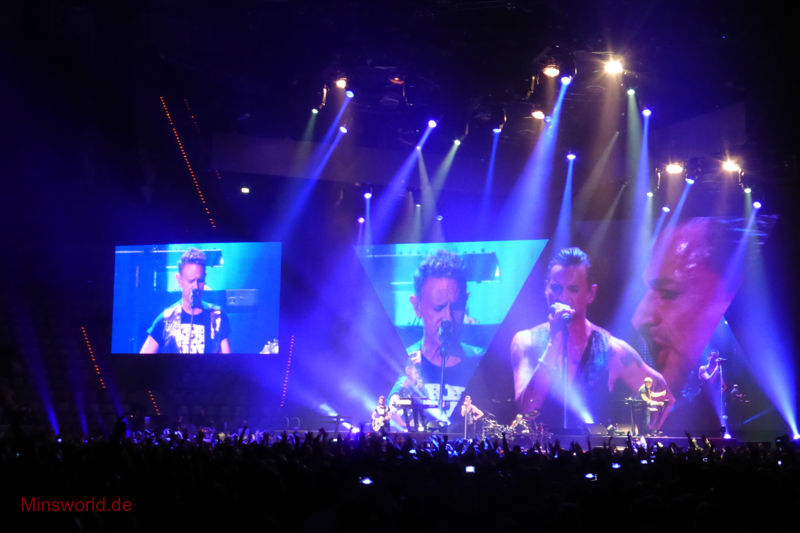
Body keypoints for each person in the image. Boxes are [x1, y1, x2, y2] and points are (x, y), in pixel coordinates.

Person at [511, 247, 671, 427]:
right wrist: (555, 339)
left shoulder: (611, 349)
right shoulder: (526, 342)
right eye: (556, 287)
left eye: (573, 289)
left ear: (591, 294)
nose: (562, 297)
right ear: (546, 289)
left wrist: (643, 437)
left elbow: (664, 397)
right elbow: (527, 410)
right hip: (540, 445)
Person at [632, 218, 744, 413]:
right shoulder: (703, 369)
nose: (638, 319)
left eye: (669, 293)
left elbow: (722, 387)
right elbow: (708, 382)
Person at [404, 250, 485, 421]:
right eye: (438, 308)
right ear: (417, 306)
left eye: (456, 307)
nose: (448, 318)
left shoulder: (482, 362)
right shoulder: (404, 362)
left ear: (466, 301)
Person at [140, 248, 231, 354]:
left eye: (200, 280)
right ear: (179, 280)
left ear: (205, 277)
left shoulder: (217, 315)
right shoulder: (167, 318)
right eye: (191, 281)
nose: (196, 286)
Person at [388, 362, 428, 431]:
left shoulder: (409, 389)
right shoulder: (399, 387)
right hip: (397, 430)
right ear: (408, 370)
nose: (418, 377)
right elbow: (392, 410)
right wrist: (405, 426)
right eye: (416, 373)